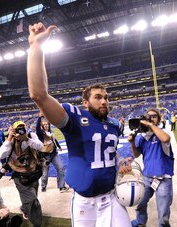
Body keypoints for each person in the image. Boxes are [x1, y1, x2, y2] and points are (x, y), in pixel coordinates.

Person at [27, 22, 133, 227]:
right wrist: (36, 46)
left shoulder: (113, 124)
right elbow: (38, 94)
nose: (104, 101)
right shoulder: (75, 118)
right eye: (98, 97)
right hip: (84, 202)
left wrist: (120, 161)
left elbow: (109, 152)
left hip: (112, 198)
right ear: (85, 102)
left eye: (106, 98)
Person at [128, 109, 174, 227]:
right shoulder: (142, 137)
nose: (151, 118)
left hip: (163, 177)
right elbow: (136, 155)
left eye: (154, 116)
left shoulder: (164, 131)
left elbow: (165, 139)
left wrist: (150, 124)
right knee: (140, 202)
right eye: (148, 117)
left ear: (158, 119)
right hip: (147, 176)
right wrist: (132, 142)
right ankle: (141, 221)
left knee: (163, 210)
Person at [0, 121, 43, 227]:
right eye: (18, 128)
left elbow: (40, 146)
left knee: (33, 197)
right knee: (32, 201)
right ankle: (37, 224)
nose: (20, 130)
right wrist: (9, 139)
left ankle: (24, 208)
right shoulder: (10, 141)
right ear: (13, 129)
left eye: (22, 128)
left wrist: (26, 138)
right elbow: (1, 154)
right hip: (20, 177)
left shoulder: (31, 136)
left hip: (34, 174)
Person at [35, 114, 68, 192]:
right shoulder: (40, 134)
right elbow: (37, 127)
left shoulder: (51, 132)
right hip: (45, 156)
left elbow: (54, 140)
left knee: (60, 168)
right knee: (45, 174)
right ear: (42, 126)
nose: (46, 125)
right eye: (44, 125)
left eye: (47, 124)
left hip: (54, 154)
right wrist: (40, 118)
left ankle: (61, 186)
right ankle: (43, 186)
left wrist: (59, 146)